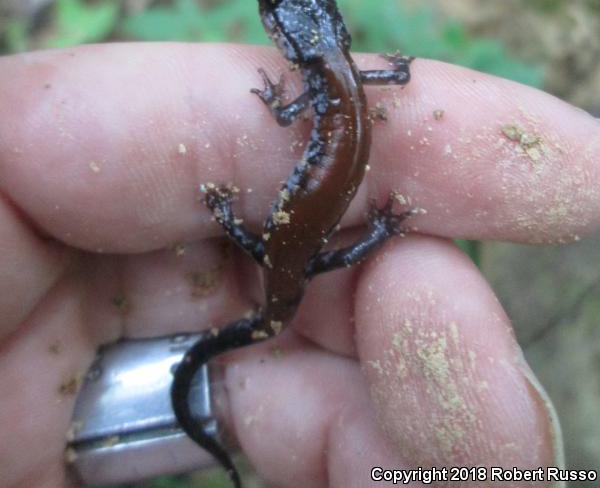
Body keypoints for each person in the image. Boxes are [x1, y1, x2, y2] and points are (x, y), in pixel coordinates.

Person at [1, 42, 596, 487]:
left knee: (293, 260)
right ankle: (193, 390)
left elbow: (287, 118)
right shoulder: (349, 74)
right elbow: (400, 73)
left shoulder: (319, 85)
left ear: (294, 47)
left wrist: (241, 197)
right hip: (290, 254)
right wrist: (381, 224)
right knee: (295, 261)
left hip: (288, 252)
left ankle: (198, 384)